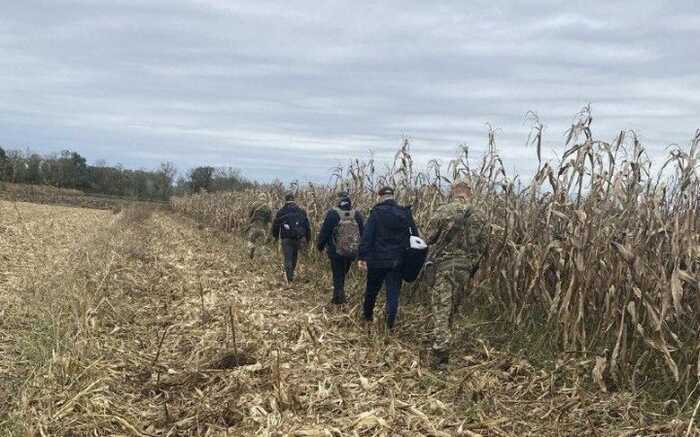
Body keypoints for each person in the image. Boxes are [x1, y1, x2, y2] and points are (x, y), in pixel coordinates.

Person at [424, 179, 488, 370]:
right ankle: (444, 342)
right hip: (465, 269)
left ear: (454, 192)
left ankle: (440, 357)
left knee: (441, 310)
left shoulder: (444, 211)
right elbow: (482, 247)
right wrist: (472, 269)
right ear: (470, 193)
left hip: (445, 267)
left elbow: (429, 237)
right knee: (451, 308)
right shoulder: (481, 216)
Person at [358, 186, 418, 330]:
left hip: (377, 260)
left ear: (380, 196)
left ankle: (367, 317)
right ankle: (389, 324)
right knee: (393, 293)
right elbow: (414, 237)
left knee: (372, 290)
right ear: (393, 196)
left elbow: (367, 236)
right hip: (397, 261)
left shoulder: (376, 213)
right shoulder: (404, 213)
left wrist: (362, 257)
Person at [317, 192, 365, 305]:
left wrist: (320, 246)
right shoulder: (357, 215)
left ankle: (339, 300)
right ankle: (338, 297)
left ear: (339, 202)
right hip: (351, 252)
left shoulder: (333, 214)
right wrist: (361, 251)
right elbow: (363, 233)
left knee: (338, 274)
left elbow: (325, 232)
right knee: (343, 273)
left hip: (336, 252)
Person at [272, 192, 311, 283]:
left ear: (286, 200)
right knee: (294, 256)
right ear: (294, 200)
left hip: (286, 239)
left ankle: (289, 278)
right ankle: (291, 273)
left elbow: (276, 225)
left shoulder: (281, 212)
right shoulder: (301, 211)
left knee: (287, 258)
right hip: (298, 238)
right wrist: (308, 238)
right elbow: (307, 226)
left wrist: (275, 236)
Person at [245, 193, 272, 259]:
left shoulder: (254, 204)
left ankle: (252, 248)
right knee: (262, 244)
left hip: (254, 227)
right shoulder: (268, 207)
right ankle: (262, 258)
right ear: (265, 198)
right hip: (263, 229)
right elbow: (269, 221)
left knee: (250, 240)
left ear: (258, 197)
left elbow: (249, 215)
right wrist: (268, 232)